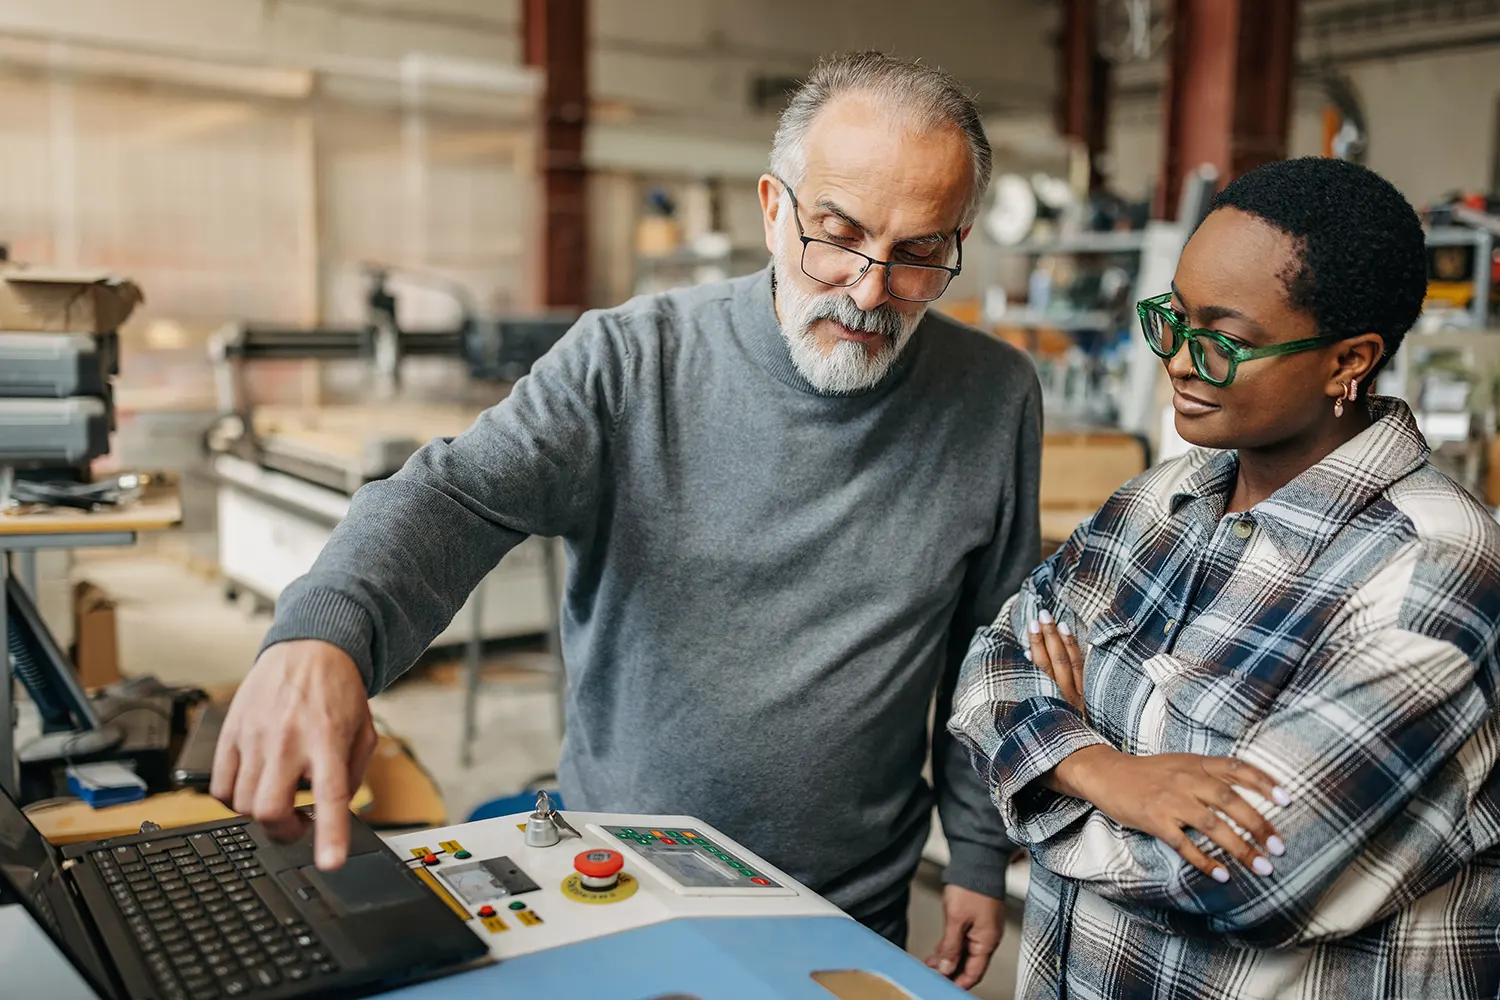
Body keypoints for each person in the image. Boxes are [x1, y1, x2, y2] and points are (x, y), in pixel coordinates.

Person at [211, 51, 1043, 988]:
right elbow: (455, 494)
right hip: (623, 879)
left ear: (958, 242)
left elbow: (991, 649)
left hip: (846, 908)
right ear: (773, 209)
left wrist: (974, 851)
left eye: (918, 254)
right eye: (837, 233)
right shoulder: (628, 362)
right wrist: (324, 636)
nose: (867, 289)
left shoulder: (995, 396)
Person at [949, 155, 1500, 999]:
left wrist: (1040, 753)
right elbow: (989, 669)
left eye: (1224, 340)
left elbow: (1244, 876)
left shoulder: (1434, 570)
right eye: (1174, 318)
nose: (1177, 360)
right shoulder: (1162, 501)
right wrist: (1103, 771)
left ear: (1346, 361)